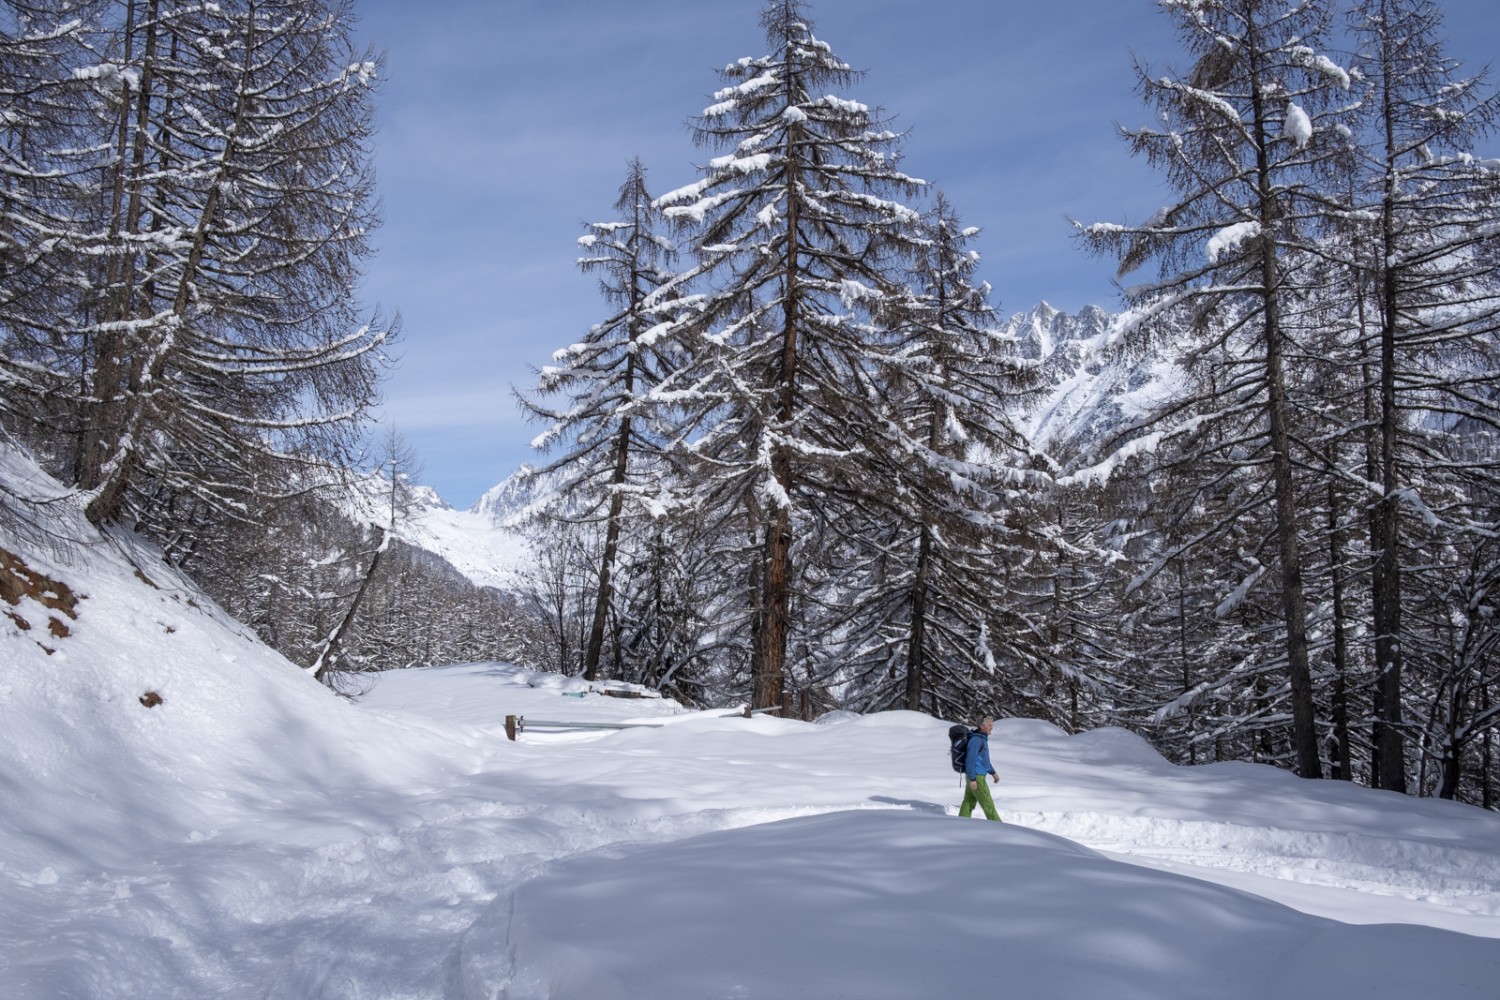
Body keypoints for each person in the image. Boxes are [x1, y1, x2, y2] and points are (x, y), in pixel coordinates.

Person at [959, 716, 1001, 821]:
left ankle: (961, 822)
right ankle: (999, 827)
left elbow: (984, 760)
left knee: (969, 801)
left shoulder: (981, 739)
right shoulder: (976, 740)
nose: (991, 727)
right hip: (976, 777)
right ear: (982, 726)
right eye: (989, 725)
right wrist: (973, 779)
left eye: (992, 724)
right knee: (988, 804)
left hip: (974, 775)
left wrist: (993, 772)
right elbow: (970, 759)